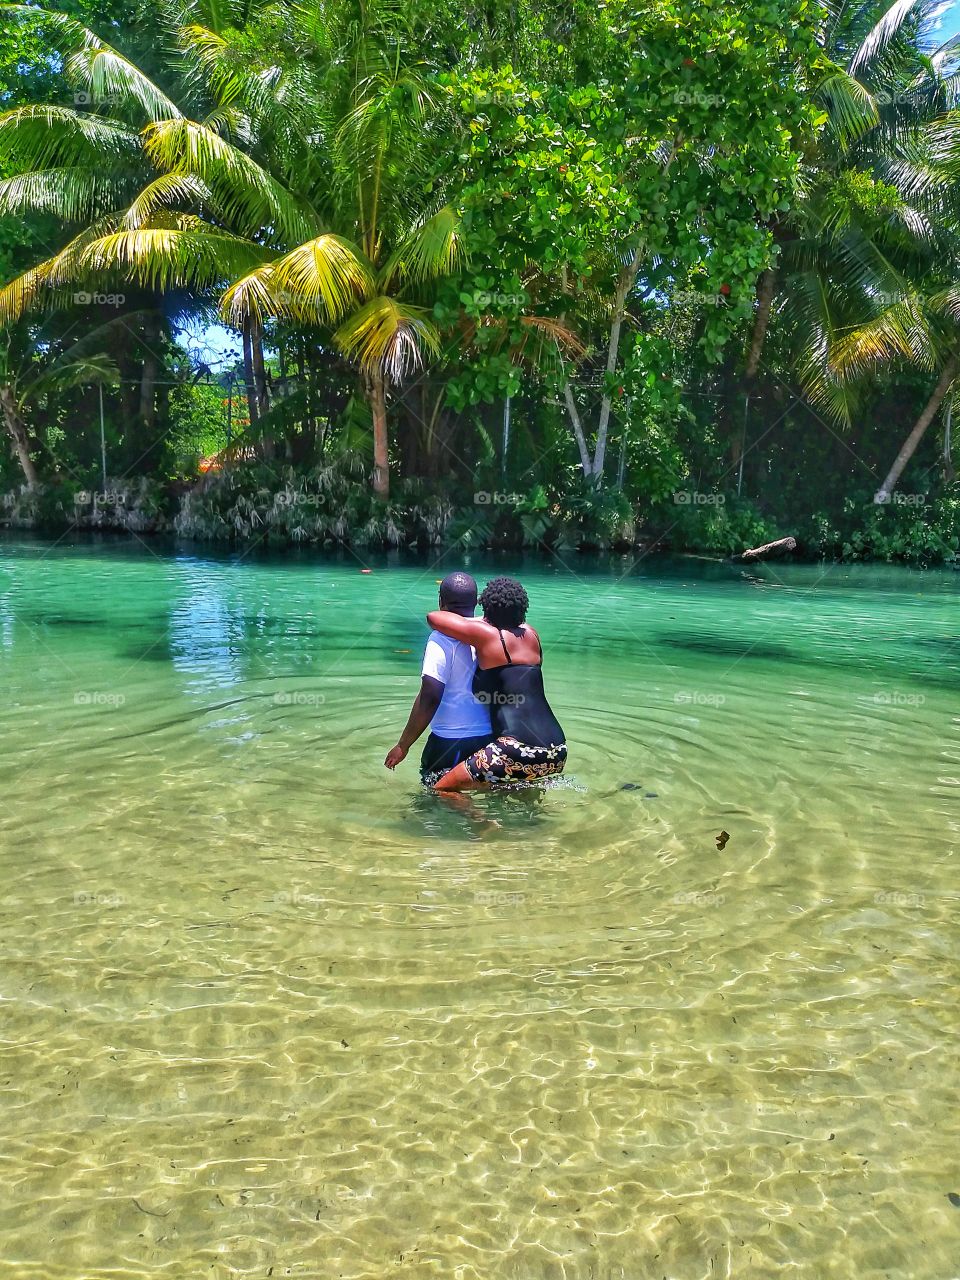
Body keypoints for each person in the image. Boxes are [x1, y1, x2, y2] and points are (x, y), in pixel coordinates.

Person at [424, 576, 566, 791]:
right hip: (557, 749)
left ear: (486, 607)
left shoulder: (489, 636)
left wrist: (481, 619)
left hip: (516, 748)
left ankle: (485, 824)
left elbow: (434, 617)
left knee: (442, 789)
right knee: (517, 800)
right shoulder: (532, 635)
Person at [384, 571, 494, 784]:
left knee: (436, 797)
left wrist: (403, 745)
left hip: (450, 742)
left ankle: (480, 818)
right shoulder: (490, 633)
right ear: (475, 602)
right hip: (490, 741)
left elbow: (431, 696)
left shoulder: (440, 638)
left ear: (441, 601)